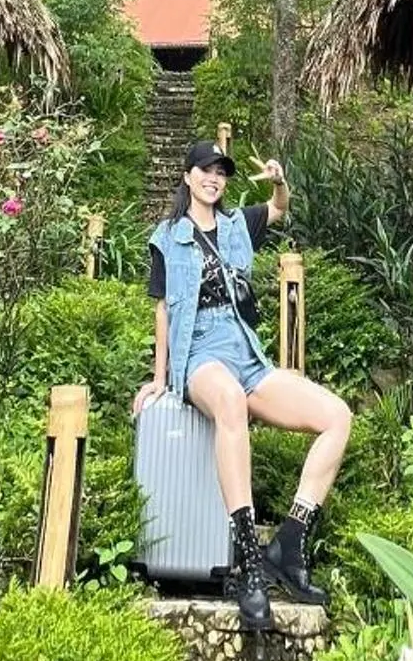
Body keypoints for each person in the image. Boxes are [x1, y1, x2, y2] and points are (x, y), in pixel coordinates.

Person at [133, 138, 352, 630]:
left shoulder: (237, 226)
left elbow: (278, 207)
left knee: (337, 416)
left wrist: (279, 180)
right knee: (229, 399)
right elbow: (163, 310)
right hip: (202, 356)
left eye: (221, 172)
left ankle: (289, 543)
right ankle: (251, 561)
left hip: (246, 353)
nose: (213, 178)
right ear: (187, 177)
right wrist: (159, 378)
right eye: (204, 170)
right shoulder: (167, 237)